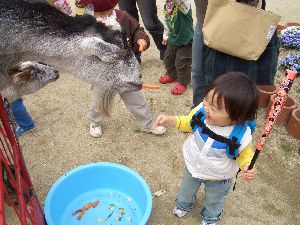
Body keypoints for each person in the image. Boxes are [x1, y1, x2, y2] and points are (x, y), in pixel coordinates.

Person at [155, 72, 258, 225]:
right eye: (206, 99)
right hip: (193, 166)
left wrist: (248, 167)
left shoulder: (239, 134)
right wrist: (169, 120)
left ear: (236, 118)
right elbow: (187, 123)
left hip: (219, 177)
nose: (206, 107)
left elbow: (245, 155)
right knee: (186, 190)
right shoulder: (202, 113)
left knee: (214, 199)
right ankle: (184, 203)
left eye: (214, 107)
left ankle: (210, 216)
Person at [78, 0, 166, 137]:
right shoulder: (88, 24)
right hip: (102, 74)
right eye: (101, 13)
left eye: (109, 11)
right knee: (99, 99)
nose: (106, 15)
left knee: (136, 99)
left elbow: (137, 30)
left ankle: (147, 123)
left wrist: (140, 39)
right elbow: (82, 46)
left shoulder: (122, 17)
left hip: (125, 71)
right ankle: (94, 121)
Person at [192, 0, 276, 108]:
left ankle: (228, 117)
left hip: (238, 23)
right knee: (199, 75)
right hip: (205, 20)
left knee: (232, 80)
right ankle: (198, 113)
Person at [159, 0, 193, 95]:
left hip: (185, 41)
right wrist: (165, 36)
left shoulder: (184, 5)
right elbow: (167, 22)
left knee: (182, 62)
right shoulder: (167, 6)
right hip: (173, 39)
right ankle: (172, 75)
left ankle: (183, 82)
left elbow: (179, 1)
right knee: (168, 58)